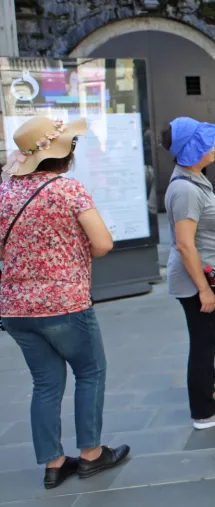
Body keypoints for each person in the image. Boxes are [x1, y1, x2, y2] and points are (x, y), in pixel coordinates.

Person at [0, 116, 129, 489]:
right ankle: (90, 454)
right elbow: (102, 244)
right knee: (90, 372)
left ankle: (54, 464)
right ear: (64, 152)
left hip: (15, 307)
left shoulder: (4, 191)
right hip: (65, 303)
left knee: (44, 382)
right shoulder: (68, 189)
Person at [162, 117, 215, 430]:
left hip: (206, 272)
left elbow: (199, 224)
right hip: (196, 280)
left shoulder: (193, 180)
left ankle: (208, 390)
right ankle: (204, 411)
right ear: (193, 149)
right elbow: (185, 244)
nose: (213, 146)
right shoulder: (185, 189)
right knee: (202, 342)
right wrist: (204, 290)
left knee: (211, 334)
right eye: (207, 142)